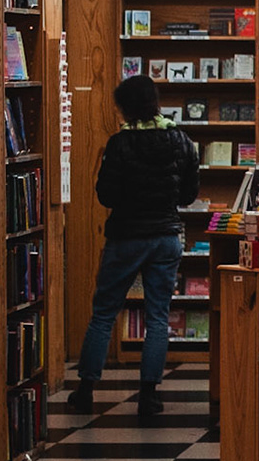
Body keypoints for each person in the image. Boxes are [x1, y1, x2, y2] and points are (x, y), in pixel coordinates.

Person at [71, 75, 200, 420]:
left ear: (125, 108)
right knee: (158, 316)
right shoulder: (181, 140)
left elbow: (106, 195)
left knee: (104, 313)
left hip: (126, 237)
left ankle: (85, 390)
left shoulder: (119, 144)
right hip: (165, 236)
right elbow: (188, 195)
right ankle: (149, 395)